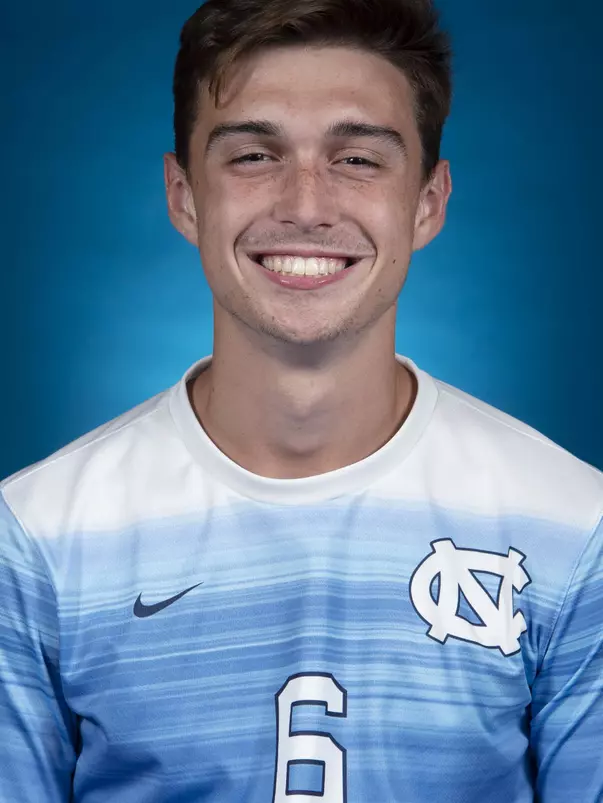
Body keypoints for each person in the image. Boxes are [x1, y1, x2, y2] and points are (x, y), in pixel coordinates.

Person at [1, 0, 602, 800]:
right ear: (183, 196)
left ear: (427, 200)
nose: (306, 204)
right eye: (253, 155)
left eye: (357, 160)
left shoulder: (576, 530)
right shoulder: (34, 540)